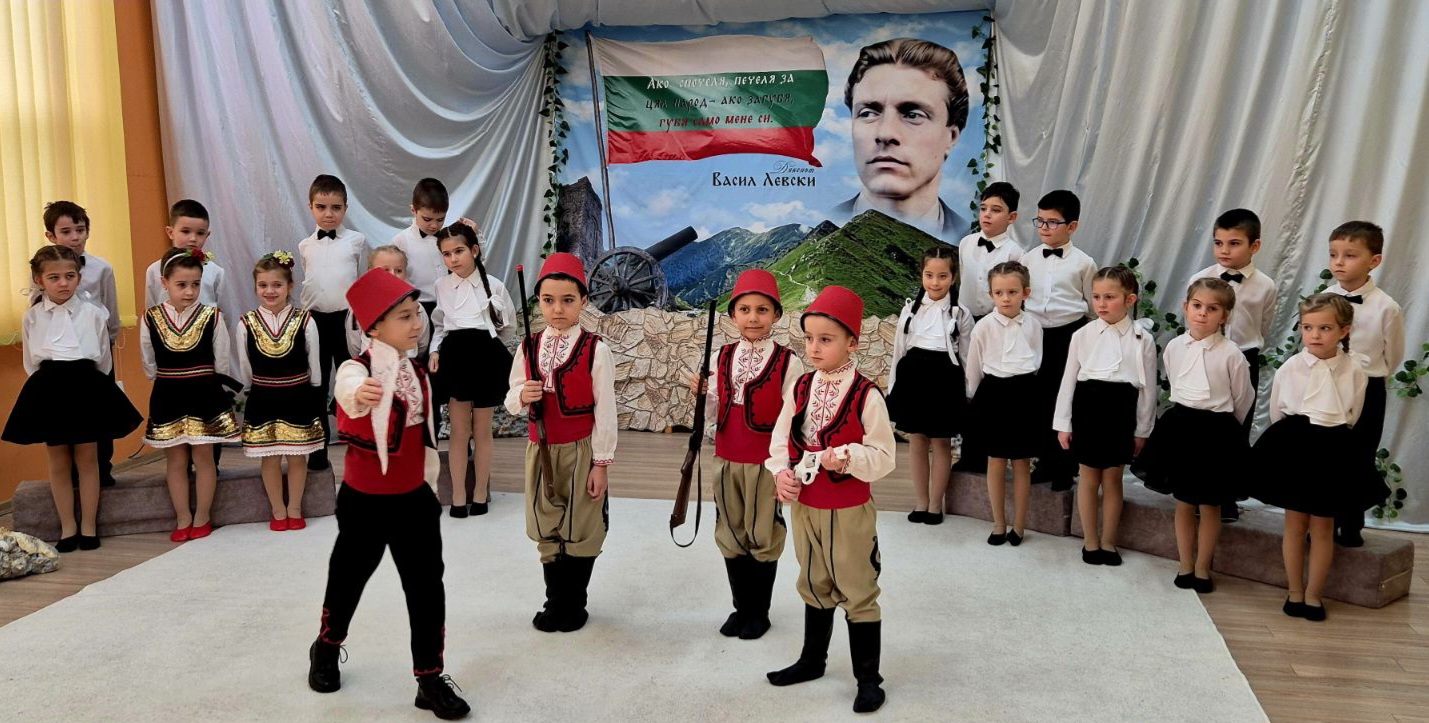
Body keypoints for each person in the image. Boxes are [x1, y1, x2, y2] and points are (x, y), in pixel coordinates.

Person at [307, 268, 469, 719]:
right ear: (373, 328)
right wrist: (361, 392)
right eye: (405, 317)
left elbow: (426, 438)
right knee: (348, 578)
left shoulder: (418, 371)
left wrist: (430, 491)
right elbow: (348, 392)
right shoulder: (356, 370)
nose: (417, 324)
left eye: (417, 314)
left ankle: (429, 679)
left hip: (415, 500)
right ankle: (326, 646)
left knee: (426, 589)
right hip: (364, 502)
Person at [764, 286, 896, 714]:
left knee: (857, 587)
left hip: (849, 509)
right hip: (807, 506)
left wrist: (850, 457)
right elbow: (780, 438)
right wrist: (781, 472)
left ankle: (868, 680)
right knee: (813, 581)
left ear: (852, 342)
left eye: (826, 339)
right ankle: (812, 660)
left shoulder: (867, 395)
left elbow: (884, 457)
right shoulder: (801, 387)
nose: (814, 348)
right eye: (809, 339)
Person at [504, 253, 617, 633]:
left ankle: (574, 604)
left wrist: (601, 464)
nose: (557, 309)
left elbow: (606, 411)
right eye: (548, 300)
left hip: (581, 450)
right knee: (546, 523)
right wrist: (524, 395)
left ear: (583, 301)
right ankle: (555, 602)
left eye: (568, 300)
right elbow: (511, 397)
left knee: (582, 526)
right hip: (540, 450)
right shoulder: (528, 347)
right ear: (538, 301)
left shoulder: (596, 349)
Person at [3, 246, 140, 551]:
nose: (63, 283)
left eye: (70, 276)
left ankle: (89, 525)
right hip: (49, 389)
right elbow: (31, 361)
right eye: (54, 277)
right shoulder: (32, 317)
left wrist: (91, 386)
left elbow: (103, 358)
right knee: (58, 461)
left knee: (88, 459)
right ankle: (68, 527)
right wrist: (45, 389)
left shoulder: (94, 314)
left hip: (86, 386)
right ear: (39, 280)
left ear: (79, 277)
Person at [691, 269, 803, 639]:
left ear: (776, 314)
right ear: (733, 315)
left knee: (763, 532)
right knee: (731, 530)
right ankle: (741, 608)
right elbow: (713, 411)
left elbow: (793, 419)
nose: (753, 317)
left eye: (762, 310)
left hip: (766, 463)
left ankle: (759, 612)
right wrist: (702, 393)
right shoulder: (721, 357)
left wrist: (786, 466)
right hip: (727, 458)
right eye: (744, 309)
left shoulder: (788, 363)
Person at [1252, 294, 1368, 622]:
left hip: (1332, 450)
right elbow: (1278, 411)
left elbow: (1353, 413)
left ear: (1344, 331)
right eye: (1308, 327)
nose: (1315, 335)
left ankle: (1314, 594)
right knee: (1294, 523)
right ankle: (1294, 591)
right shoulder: (1290, 368)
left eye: (1325, 328)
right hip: (1296, 448)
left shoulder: (1353, 370)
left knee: (1322, 526)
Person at [1138, 280, 1253, 592]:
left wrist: (1226, 431)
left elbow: (1243, 398)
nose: (1203, 313)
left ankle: (1203, 567)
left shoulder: (1231, 354)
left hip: (1216, 434)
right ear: (1185, 307)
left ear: (1225, 316)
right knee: (1184, 501)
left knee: (1210, 504)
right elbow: (1174, 380)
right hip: (1181, 430)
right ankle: (1185, 564)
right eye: (1197, 306)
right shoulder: (1175, 347)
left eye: (1212, 308)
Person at [1053, 266, 1157, 566]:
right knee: (1087, 476)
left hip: (1120, 411)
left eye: (1110, 297)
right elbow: (1068, 381)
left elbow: (1148, 390)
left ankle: (1109, 541)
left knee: (1112, 478)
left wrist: (1142, 430)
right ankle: (1090, 541)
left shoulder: (1142, 339)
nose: (1101, 303)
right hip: (1088, 408)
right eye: (1096, 296)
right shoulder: (1082, 335)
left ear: (1130, 300)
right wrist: (1063, 423)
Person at [140, 247, 239, 543]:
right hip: (168, 393)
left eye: (195, 284)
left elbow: (222, 361)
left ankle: (202, 516)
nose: (189, 291)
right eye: (181, 284)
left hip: (204, 392)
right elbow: (148, 361)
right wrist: (163, 379)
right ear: (164, 283)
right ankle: (183, 516)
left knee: (203, 455)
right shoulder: (151, 318)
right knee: (176, 459)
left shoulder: (212, 316)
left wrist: (213, 382)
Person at [831, 37, 972, 239]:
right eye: (868, 113)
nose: (885, 133)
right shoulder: (818, 227)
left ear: (951, 137)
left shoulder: (972, 239)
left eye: (913, 115)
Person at [1188, 208, 1276, 522]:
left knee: (1236, 430)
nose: (1224, 250)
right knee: (1202, 430)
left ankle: (1225, 498)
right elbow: (1193, 324)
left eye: (1234, 243)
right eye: (1219, 242)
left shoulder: (1266, 286)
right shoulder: (1200, 279)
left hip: (1244, 358)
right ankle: (1196, 494)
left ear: (1255, 246)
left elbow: (1264, 325)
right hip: (1206, 357)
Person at [1324, 221, 1403, 547]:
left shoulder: (1387, 307)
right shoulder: (1323, 299)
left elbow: (1393, 355)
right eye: (1333, 254)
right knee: (1327, 456)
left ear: (1374, 261)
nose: (1339, 262)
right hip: (1328, 386)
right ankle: (1323, 522)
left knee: (1359, 457)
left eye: (1350, 255)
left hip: (1369, 389)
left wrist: (1368, 376)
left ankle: (1351, 525)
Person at [34, 201, 121, 487]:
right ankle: (71, 476)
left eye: (80, 230)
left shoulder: (102, 268)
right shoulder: (41, 268)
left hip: (94, 350)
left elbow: (111, 309)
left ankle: (102, 470)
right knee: (64, 419)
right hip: (58, 356)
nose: (75, 237)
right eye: (66, 231)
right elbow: (36, 310)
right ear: (51, 235)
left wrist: (107, 342)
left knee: (100, 412)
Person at [431, 223, 515, 517]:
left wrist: (490, 338)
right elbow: (440, 325)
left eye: (459, 251)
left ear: (475, 250)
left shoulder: (494, 285)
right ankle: (457, 495)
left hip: (484, 356)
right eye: (446, 254)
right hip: (455, 356)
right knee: (458, 431)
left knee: (482, 429)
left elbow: (508, 327)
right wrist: (434, 351)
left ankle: (479, 493)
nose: (453, 259)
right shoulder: (442, 286)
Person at [236, 251, 324, 531]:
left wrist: (314, 387)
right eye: (263, 285)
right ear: (255, 287)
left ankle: (294, 508)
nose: (270, 291)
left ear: (290, 286)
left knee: (298, 456)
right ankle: (277, 509)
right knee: (270, 457)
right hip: (263, 397)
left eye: (277, 285)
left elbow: (314, 362)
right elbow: (245, 365)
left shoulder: (305, 320)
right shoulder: (246, 323)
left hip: (297, 396)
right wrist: (250, 387)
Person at [887, 246, 973, 525]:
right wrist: (892, 388)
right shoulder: (909, 311)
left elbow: (967, 357)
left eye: (942, 276)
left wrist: (969, 393)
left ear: (953, 277)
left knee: (941, 442)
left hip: (944, 381)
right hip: (913, 379)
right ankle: (921, 501)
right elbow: (899, 352)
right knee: (917, 441)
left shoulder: (961, 314)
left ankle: (936, 504)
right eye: (929, 275)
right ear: (921, 275)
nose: (935, 282)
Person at [1021, 190, 1098, 490]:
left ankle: (1065, 466)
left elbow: (1092, 306)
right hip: (1036, 335)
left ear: (1072, 226)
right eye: (1040, 220)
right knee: (1039, 399)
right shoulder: (1028, 259)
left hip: (1069, 335)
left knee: (1065, 399)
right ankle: (1044, 461)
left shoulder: (1084, 263)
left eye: (1052, 222)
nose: (1044, 227)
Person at [965, 261, 1042, 546]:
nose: (1006, 298)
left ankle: (1019, 526)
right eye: (999, 293)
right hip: (993, 396)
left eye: (1012, 292)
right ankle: (998, 523)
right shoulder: (983, 327)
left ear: (1026, 293)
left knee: (1021, 463)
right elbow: (974, 367)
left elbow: (1036, 359)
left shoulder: (1033, 325)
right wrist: (976, 399)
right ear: (991, 294)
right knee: (995, 461)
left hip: (1024, 394)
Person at [298, 173, 368, 471]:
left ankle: (361, 444)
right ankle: (318, 450)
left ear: (345, 208)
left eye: (336, 207)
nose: (329, 214)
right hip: (314, 321)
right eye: (321, 207)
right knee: (317, 383)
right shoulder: (305, 245)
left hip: (347, 320)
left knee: (352, 380)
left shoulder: (357, 241)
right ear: (311, 207)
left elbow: (361, 281)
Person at [345, 246, 431, 359]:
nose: (392, 275)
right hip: (372, 365)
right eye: (385, 270)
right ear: (370, 272)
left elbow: (422, 342)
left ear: (406, 273)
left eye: (398, 270)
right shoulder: (359, 308)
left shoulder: (415, 306)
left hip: (407, 363)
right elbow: (354, 345)